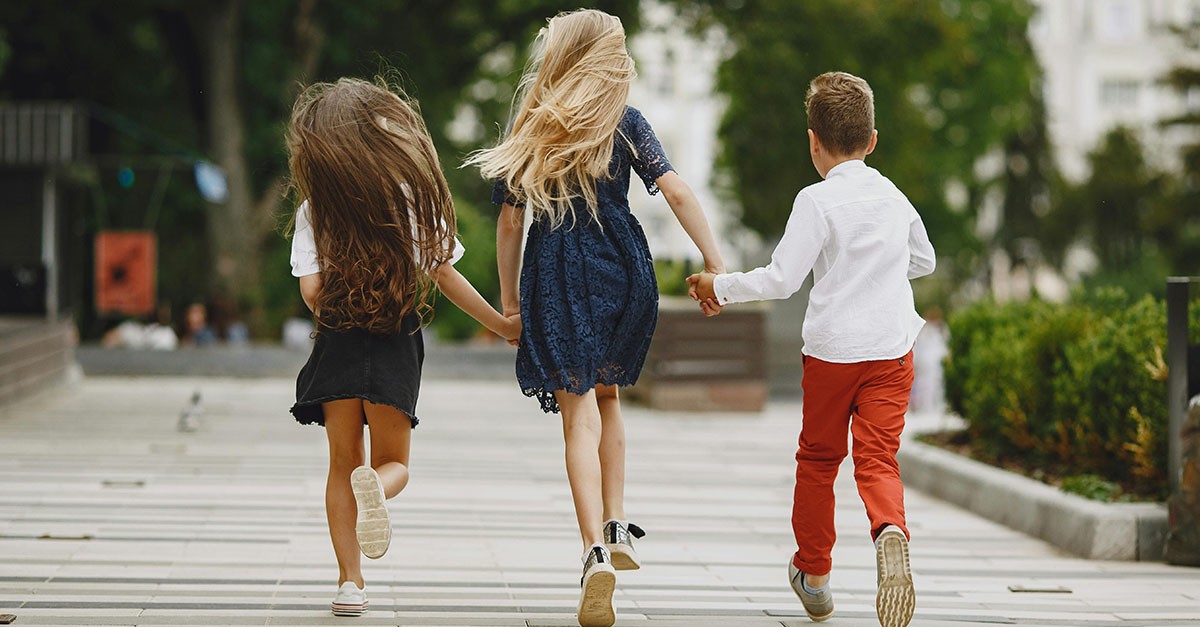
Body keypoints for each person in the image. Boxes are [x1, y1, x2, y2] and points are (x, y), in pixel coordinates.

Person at [466, 9, 724, 627]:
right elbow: (679, 191)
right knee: (607, 397)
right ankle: (617, 520)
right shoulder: (625, 122)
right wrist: (715, 264)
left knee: (577, 411)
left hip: (557, 273)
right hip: (623, 269)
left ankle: (594, 552)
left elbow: (509, 222)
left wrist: (509, 303)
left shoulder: (535, 123)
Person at [687, 71, 935, 627]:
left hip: (832, 353)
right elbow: (926, 261)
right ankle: (889, 528)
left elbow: (781, 279)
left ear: (812, 141)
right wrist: (883, 268)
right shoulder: (894, 197)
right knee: (878, 459)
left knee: (820, 462)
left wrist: (716, 287)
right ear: (873, 141)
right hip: (892, 350)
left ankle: (815, 575)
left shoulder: (816, 200)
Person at [285, 77, 521, 618]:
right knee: (394, 463)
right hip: (395, 336)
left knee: (343, 462)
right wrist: (502, 324)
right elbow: (445, 276)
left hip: (339, 340)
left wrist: (346, 305)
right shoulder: (412, 197)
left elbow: (313, 293)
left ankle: (350, 583)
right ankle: (379, 487)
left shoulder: (315, 207)